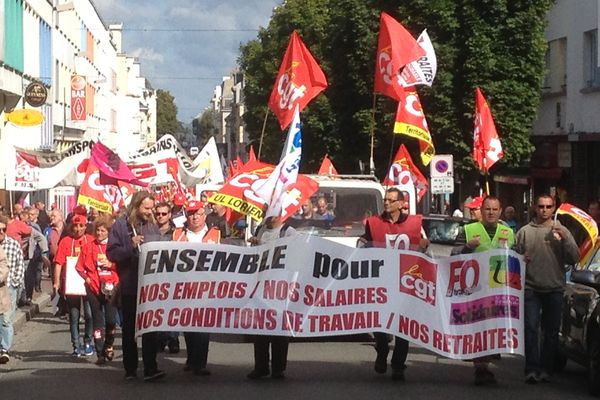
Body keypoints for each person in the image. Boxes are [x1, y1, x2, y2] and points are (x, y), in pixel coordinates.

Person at [358, 188, 429, 381]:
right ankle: (382, 352)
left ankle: (398, 365)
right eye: (385, 200)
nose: (387, 203)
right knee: (381, 324)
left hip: (406, 283)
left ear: (401, 203)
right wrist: (361, 244)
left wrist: (424, 244)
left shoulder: (415, 223)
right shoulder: (374, 223)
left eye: (391, 200)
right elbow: (365, 241)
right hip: (382, 282)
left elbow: (424, 245)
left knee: (403, 326)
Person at [516, 194, 579, 384]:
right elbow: (512, 257)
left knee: (551, 332)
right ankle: (532, 369)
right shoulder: (524, 232)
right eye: (541, 206)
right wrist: (521, 258)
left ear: (554, 208)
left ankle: (546, 369)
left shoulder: (562, 231)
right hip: (530, 288)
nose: (544, 210)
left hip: (554, 288)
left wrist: (565, 238)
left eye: (548, 206)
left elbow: (574, 258)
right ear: (535, 208)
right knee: (531, 329)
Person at [107, 191, 164, 382]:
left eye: (152, 208)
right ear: (137, 206)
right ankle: (130, 369)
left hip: (150, 288)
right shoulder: (120, 226)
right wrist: (130, 246)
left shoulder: (153, 227)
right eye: (147, 208)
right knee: (130, 330)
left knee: (150, 328)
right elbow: (112, 254)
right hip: (130, 286)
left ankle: (151, 367)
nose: (150, 212)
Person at [458, 196, 515, 385]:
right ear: (481, 211)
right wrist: (467, 247)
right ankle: (480, 367)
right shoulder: (468, 231)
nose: (491, 212)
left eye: (494, 209)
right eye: (487, 209)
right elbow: (452, 256)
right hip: (475, 289)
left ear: (500, 212)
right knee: (478, 327)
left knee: (493, 329)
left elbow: (518, 257)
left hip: (499, 290)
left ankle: (486, 364)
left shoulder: (509, 233)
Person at [172, 200, 220, 376]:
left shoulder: (216, 235)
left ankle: (200, 363)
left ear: (204, 215)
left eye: (198, 213)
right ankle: (192, 358)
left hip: (207, 289)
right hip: (184, 288)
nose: (194, 217)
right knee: (188, 325)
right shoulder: (177, 235)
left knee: (202, 325)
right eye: (191, 213)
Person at [247, 215, 296, 380]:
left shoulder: (288, 232)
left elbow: (297, 254)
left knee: (280, 330)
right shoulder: (261, 230)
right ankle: (261, 366)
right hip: (261, 285)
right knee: (260, 329)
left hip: (281, 287)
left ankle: (278, 368)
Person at [76, 215, 119, 365]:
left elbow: (122, 265)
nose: (99, 233)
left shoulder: (114, 247)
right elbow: (79, 267)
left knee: (111, 320)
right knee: (97, 319)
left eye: (103, 231)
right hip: (94, 287)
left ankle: (109, 344)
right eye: (98, 230)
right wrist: (87, 279)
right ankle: (100, 351)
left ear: (108, 232)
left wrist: (111, 265)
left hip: (111, 287)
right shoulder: (89, 246)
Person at [53, 214, 94, 357]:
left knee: (89, 315)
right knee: (74, 315)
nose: (77, 229)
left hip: (88, 283)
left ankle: (88, 341)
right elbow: (58, 263)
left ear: (85, 227)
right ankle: (76, 345)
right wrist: (56, 282)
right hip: (71, 284)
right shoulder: (65, 241)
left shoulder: (91, 240)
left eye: (81, 226)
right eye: (75, 226)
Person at [154, 202, 180, 354]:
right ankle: (161, 338)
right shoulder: (150, 232)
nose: (161, 217)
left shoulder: (176, 233)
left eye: (164, 214)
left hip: (172, 275)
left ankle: (173, 338)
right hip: (155, 275)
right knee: (158, 309)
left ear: (169, 215)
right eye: (158, 214)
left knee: (172, 308)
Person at [0, 216, 25, 364]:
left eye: (4, 229)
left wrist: (15, 283)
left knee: (6, 320)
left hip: (7, 287)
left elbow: (19, 265)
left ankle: (4, 349)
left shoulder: (13, 245)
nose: (1, 232)